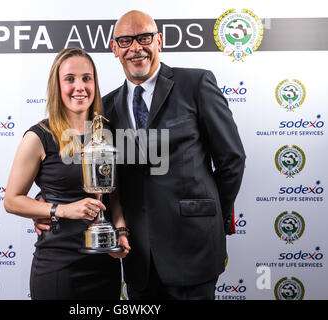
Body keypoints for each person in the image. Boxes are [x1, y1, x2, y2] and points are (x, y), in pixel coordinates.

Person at [36, 10, 245, 300]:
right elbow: (95, 173)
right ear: (115, 49)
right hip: (138, 257)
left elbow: (231, 159)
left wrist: (210, 217)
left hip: (193, 248)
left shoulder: (195, 84)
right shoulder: (104, 109)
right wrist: (45, 201)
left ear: (159, 41)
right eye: (125, 41)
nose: (135, 47)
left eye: (144, 38)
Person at [4, 47, 130, 300]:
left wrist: (121, 231)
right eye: (69, 79)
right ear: (56, 85)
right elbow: (11, 200)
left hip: (104, 263)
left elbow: (113, 193)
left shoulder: (108, 133)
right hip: (59, 265)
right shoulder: (39, 136)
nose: (80, 87)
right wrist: (59, 209)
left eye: (87, 78)